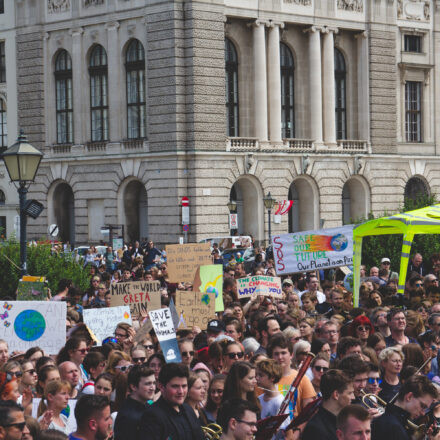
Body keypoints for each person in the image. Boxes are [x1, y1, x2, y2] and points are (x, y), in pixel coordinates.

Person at [138, 363, 204, 440]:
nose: (181, 391)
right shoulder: (152, 416)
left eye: (184, 386)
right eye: (175, 386)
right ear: (161, 386)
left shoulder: (188, 409)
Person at [372, 375, 437, 440]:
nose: (423, 413)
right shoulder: (394, 427)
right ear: (409, 396)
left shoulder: (399, 423)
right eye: (422, 406)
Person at [302, 370, 355, 440]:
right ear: (336, 394)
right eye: (350, 393)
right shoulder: (315, 429)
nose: (353, 397)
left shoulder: (344, 420)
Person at [114, 365, 155, 440]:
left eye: (154, 383)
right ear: (133, 387)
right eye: (148, 384)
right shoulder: (127, 416)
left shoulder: (148, 404)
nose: (152, 388)